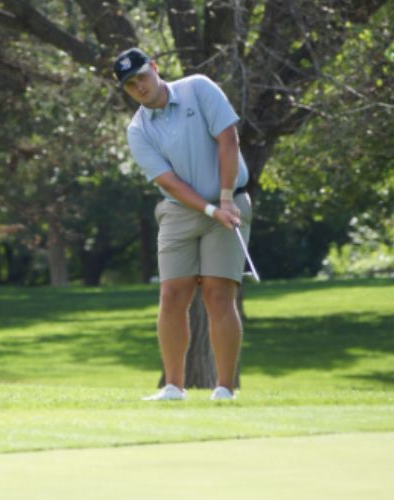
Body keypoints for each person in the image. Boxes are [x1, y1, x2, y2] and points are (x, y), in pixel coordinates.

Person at [115, 48, 251, 401]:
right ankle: (173, 386)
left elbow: (228, 140)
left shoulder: (198, 88)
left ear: (155, 69)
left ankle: (224, 388)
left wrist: (223, 199)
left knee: (219, 294)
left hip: (229, 202)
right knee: (172, 294)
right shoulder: (138, 130)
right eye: (130, 84)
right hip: (180, 211)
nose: (139, 86)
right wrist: (209, 209)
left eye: (142, 76)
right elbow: (169, 182)